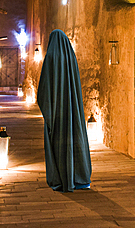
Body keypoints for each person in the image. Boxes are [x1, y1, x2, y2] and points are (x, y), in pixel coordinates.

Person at [36, 29, 92, 191]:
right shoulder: (71, 57)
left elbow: (44, 90)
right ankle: (79, 177)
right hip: (72, 111)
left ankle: (61, 178)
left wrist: (48, 110)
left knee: (58, 144)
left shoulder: (51, 57)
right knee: (75, 139)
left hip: (58, 114)